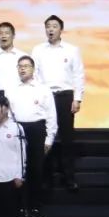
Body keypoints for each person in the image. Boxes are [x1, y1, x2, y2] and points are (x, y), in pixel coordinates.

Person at [32, 15, 85, 192]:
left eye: (54, 26)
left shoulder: (71, 50)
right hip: (45, 97)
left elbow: (78, 74)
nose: (51, 29)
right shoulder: (38, 50)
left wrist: (77, 98)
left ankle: (69, 177)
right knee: (46, 137)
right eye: (48, 26)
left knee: (67, 138)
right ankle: (46, 178)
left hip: (65, 96)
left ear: (61, 29)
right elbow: (34, 74)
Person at [5, 56, 57, 217]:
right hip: (17, 130)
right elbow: (8, 114)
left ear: (33, 69)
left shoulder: (43, 89)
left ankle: (35, 208)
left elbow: (51, 116)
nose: (22, 69)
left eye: (26, 66)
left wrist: (49, 139)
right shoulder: (11, 89)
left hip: (37, 129)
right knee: (18, 171)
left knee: (36, 169)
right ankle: (20, 208)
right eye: (20, 66)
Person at [0, 21, 27, 93]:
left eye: (7, 33)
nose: (3, 36)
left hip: (19, 94)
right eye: (0, 33)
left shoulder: (23, 57)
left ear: (13, 36)